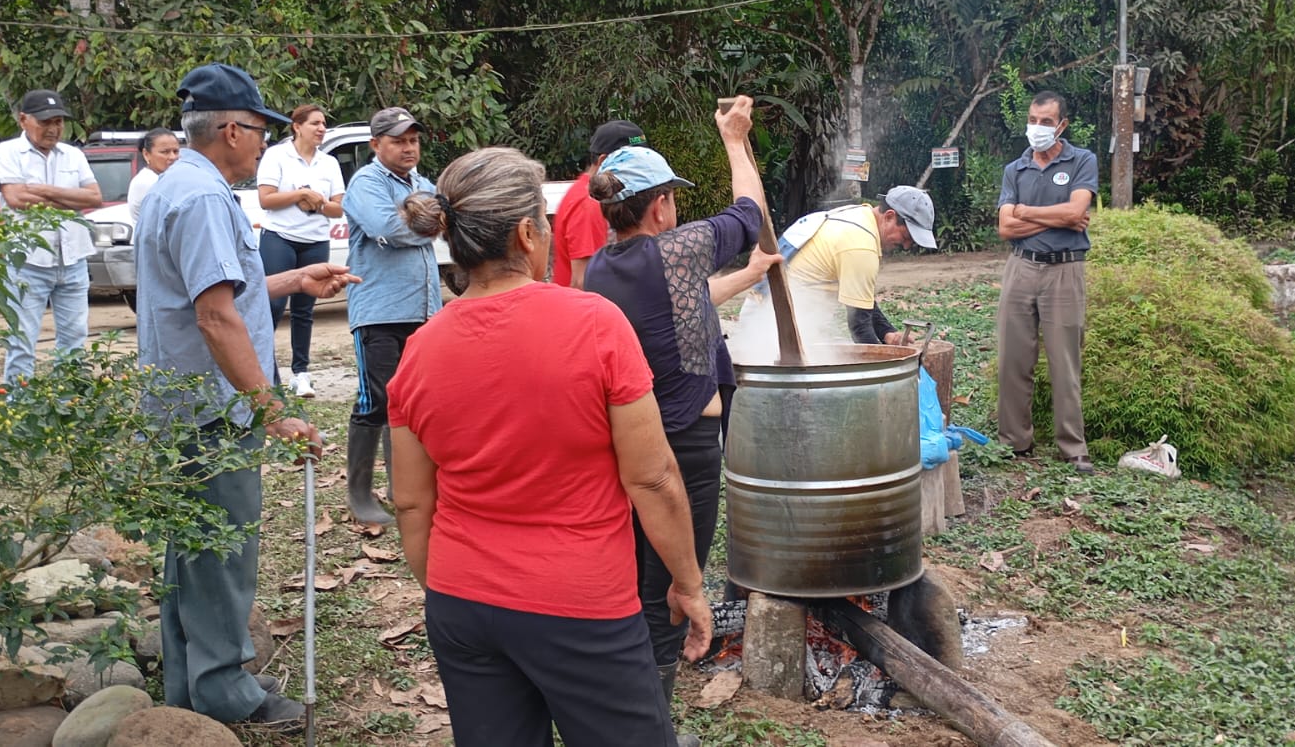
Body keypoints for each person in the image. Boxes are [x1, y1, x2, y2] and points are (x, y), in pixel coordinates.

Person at [389, 147, 713, 747]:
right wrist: (688, 584)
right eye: (545, 220)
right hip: (580, 601)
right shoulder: (594, 323)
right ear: (525, 233)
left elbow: (411, 502)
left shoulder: (419, 350)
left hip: (462, 602)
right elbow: (653, 478)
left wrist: (453, 587)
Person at [136, 63, 358, 727]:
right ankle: (223, 691)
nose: (265, 143)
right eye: (261, 130)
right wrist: (273, 409)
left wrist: (293, 280)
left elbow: (214, 293)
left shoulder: (181, 185)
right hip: (212, 410)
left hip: (186, 403)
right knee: (221, 550)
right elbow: (214, 317)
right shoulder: (203, 197)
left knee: (193, 548)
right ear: (231, 129)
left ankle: (190, 684)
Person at [583, 97, 779, 733]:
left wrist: (750, 275)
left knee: (642, 573)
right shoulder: (677, 249)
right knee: (671, 585)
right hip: (684, 449)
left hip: (635, 445)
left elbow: (687, 301)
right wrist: (735, 141)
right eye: (672, 197)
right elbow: (748, 212)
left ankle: (632, 705)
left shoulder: (607, 266)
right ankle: (651, 729)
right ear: (660, 205)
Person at [341, 107, 440, 526]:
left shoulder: (422, 183)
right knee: (377, 399)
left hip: (424, 309)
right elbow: (389, 228)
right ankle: (360, 493)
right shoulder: (366, 182)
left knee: (416, 399)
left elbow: (441, 219)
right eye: (398, 141)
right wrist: (424, 221)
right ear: (375, 144)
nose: (408, 148)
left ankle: (404, 488)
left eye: (413, 140)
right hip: (379, 309)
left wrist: (422, 218)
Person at [994, 90, 1097, 474]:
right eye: (1033, 120)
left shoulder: (1082, 160)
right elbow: (1006, 228)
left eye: (1046, 122)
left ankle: (1072, 447)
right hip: (1021, 267)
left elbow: (1077, 210)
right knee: (1012, 359)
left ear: (1062, 125)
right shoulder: (1015, 169)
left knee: (1064, 362)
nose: (1037, 128)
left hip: (1064, 271)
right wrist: (1059, 217)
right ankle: (1014, 441)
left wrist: (1026, 212)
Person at [735, 186, 936, 355]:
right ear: (890, 217)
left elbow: (860, 300)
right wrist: (889, 368)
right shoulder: (861, 245)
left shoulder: (859, 216)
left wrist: (887, 333)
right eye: (906, 236)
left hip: (769, 316)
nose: (907, 246)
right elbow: (859, 327)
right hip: (771, 330)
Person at [0, 88, 103, 385]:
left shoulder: (73, 154)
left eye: (58, 121)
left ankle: (67, 402)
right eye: (45, 122)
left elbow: (94, 198)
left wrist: (43, 190)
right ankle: (19, 404)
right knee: (22, 340)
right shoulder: (7, 152)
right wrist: (70, 198)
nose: (53, 129)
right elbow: (16, 198)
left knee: (74, 338)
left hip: (73, 259)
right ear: (23, 120)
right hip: (27, 262)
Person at [257, 104, 344, 398]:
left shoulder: (328, 163)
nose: (321, 129)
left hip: (315, 240)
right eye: (315, 123)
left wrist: (317, 203)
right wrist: (301, 194)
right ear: (297, 126)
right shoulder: (276, 156)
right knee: (272, 305)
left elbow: (337, 208)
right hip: (279, 237)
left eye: (324, 124)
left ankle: (301, 374)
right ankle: (262, 370)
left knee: (304, 310)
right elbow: (266, 199)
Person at [552, 120, 644, 288]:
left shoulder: (597, 197)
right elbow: (583, 281)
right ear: (603, 161)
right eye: (631, 162)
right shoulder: (589, 204)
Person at [127, 128, 181, 223]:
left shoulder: (166, 179)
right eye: (165, 152)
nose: (173, 157)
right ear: (146, 154)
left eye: (175, 151)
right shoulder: (147, 181)